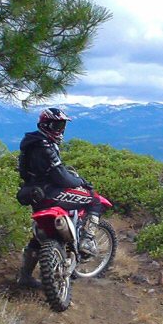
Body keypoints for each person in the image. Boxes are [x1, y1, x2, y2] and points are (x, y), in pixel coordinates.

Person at [16, 107, 104, 288]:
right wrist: (80, 181)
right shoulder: (45, 146)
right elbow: (61, 176)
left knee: (42, 233)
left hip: (34, 193)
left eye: (62, 125)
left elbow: (25, 172)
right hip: (50, 193)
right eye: (57, 125)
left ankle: (25, 275)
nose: (60, 129)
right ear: (46, 124)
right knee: (94, 199)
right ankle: (87, 240)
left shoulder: (30, 143)